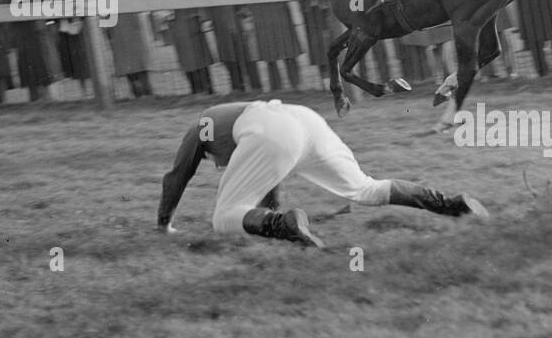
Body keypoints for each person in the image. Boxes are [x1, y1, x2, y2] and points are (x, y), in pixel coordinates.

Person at [157, 99, 487, 246]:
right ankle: (452, 204)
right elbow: (270, 175)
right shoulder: (226, 120)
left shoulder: (199, 128)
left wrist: (164, 225)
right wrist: (269, 213)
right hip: (305, 119)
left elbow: (176, 178)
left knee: (223, 218)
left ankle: (285, 226)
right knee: (367, 189)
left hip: (273, 128)